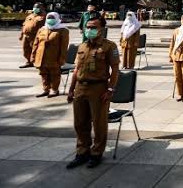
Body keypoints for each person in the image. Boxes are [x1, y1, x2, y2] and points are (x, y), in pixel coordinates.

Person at [66, 15, 119, 169]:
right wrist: (71, 89)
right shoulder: (82, 46)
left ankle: (96, 153)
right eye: (88, 27)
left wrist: (110, 89)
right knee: (80, 123)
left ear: (102, 29)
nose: (89, 29)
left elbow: (115, 69)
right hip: (80, 88)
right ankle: (82, 152)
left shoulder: (110, 46)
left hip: (99, 88)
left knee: (99, 123)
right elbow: (76, 70)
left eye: (93, 27)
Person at [31, 12, 69, 97]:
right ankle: (46, 90)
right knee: (43, 74)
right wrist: (33, 56)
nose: (50, 20)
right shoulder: (42, 29)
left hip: (54, 58)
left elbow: (64, 47)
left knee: (54, 74)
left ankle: (55, 90)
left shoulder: (63, 30)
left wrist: (61, 59)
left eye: (52, 18)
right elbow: (35, 44)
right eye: (49, 18)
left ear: (57, 18)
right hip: (41, 57)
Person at [18, 3, 46, 68]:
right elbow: (24, 25)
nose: (35, 8)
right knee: (26, 50)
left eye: (37, 7)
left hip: (36, 36)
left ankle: (37, 62)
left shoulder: (44, 17)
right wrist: (21, 34)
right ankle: (29, 62)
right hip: (26, 35)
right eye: (34, 7)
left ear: (41, 8)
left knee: (36, 50)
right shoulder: (30, 16)